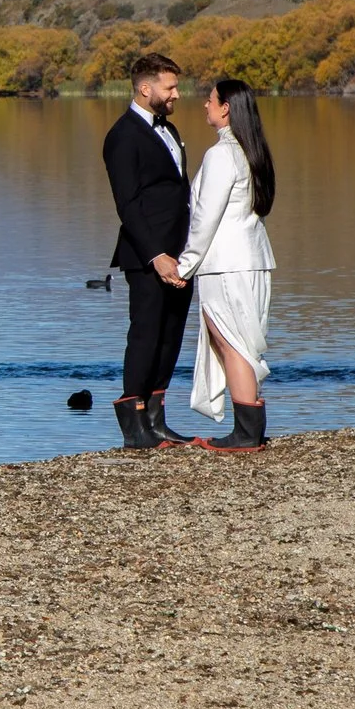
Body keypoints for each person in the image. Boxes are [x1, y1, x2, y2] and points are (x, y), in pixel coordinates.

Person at [101, 53, 196, 449]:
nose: (176, 94)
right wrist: (157, 254)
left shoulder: (169, 130)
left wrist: (188, 251)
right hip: (146, 257)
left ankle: (156, 422)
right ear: (146, 88)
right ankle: (133, 428)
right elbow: (128, 204)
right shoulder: (122, 136)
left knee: (171, 336)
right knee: (146, 335)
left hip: (183, 254)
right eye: (170, 87)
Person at [176, 76, 277, 452]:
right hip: (251, 258)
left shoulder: (222, 155)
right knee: (239, 342)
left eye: (210, 99)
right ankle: (249, 428)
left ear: (226, 108)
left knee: (231, 342)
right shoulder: (252, 151)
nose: (205, 104)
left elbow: (206, 218)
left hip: (226, 264)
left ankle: (246, 433)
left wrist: (185, 265)